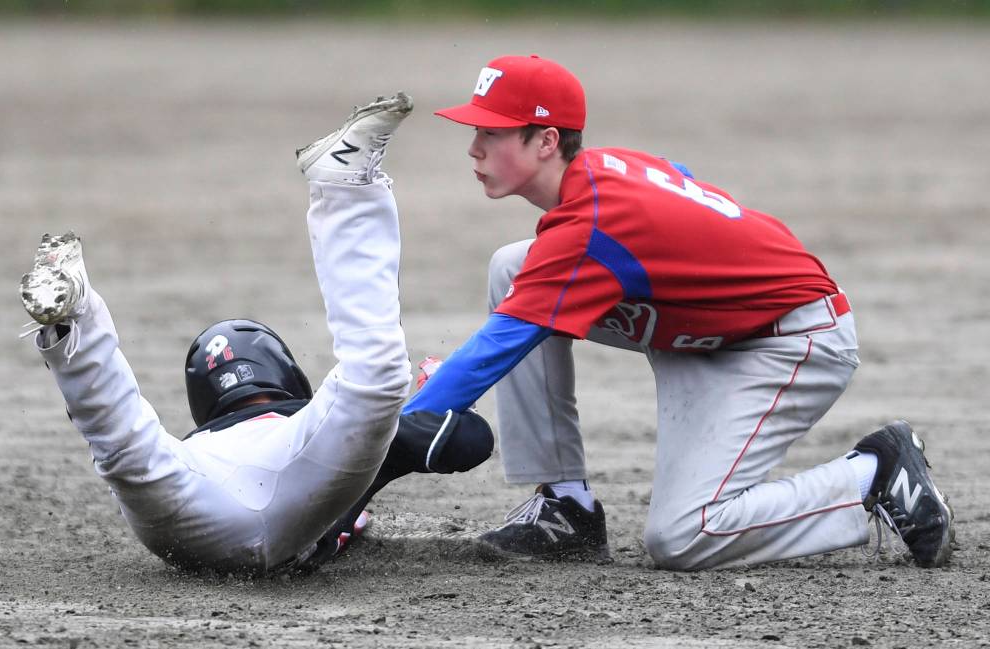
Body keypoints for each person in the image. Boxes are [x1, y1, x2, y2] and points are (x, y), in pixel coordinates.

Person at [405, 54, 954, 569]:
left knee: (682, 535)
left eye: (492, 132)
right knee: (513, 269)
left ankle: (872, 477)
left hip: (789, 339)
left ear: (547, 140)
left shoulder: (589, 226)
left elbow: (488, 356)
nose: (474, 148)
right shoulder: (602, 171)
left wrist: (386, 439)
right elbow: (681, 183)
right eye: (475, 131)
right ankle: (565, 505)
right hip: (701, 328)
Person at [19, 93, 493, 576]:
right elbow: (472, 441)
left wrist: (407, 417)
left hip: (186, 504)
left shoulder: (200, 444)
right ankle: (345, 182)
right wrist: (424, 410)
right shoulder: (305, 427)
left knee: (126, 451)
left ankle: (76, 316)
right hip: (256, 502)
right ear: (288, 378)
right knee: (123, 442)